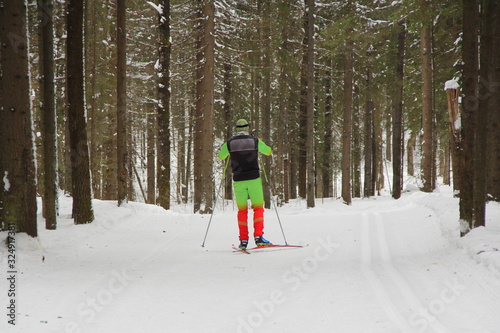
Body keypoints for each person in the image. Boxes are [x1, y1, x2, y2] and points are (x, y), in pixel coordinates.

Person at [218, 119, 273, 250]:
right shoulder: (254, 141)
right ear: (247, 128)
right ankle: (259, 237)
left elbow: (221, 156)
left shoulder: (230, 143)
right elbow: (268, 151)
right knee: (258, 208)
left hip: (238, 180)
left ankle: (243, 240)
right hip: (254, 179)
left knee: (242, 211)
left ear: (236, 129)